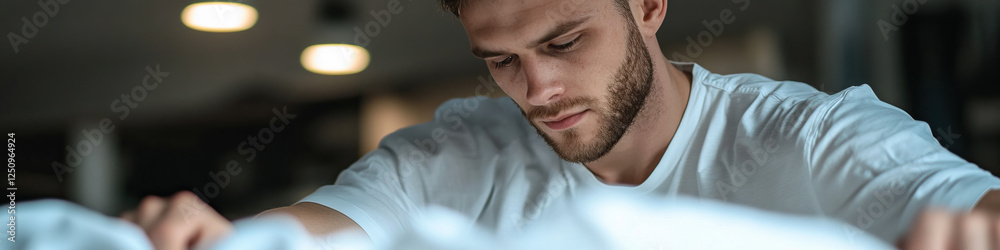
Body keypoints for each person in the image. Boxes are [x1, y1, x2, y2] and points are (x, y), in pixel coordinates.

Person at [121, 0, 1000, 249]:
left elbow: (948, 203)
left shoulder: (813, 136)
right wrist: (223, 237)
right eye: (501, 59)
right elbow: (332, 227)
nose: (536, 88)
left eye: (565, 40)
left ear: (649, 6)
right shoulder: (454, 153)